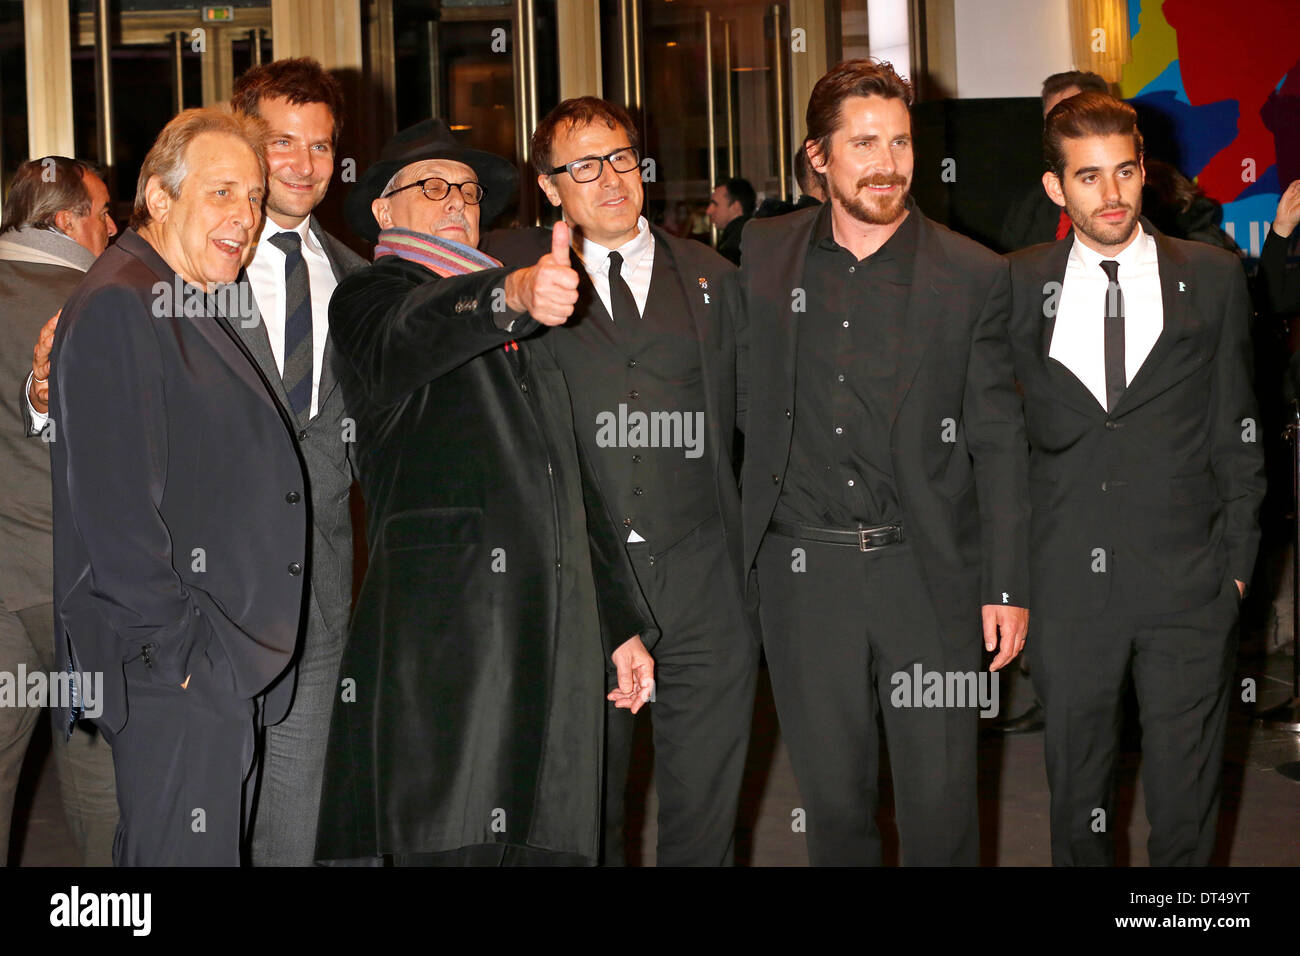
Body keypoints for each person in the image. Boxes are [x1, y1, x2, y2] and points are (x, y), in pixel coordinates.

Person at [314, 119, 656, 866]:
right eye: (432, 187)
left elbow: (568, 480)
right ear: (382, 210)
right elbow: (416, 330)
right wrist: (509, 291)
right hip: (452, 657)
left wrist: (621, 622)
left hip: (552, 635)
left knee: (552, 841)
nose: (457, 202)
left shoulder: (516, 329)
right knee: (458, 841)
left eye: (468, 191)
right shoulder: (373, 300)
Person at [738, 59, 1030, 866]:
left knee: (941, 815)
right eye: (864, 143)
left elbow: (999, 440)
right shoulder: (762, 253)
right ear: (817, 158)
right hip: (803, 579)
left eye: (900, 142)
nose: (889, 164)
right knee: (834, 812)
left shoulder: (973, 274)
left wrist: (1005, 585)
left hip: (927, 579)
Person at [483, 96, 757, 866]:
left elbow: (763, 423)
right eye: (582, 166)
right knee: (584, 821)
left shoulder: (713, 279)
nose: (608, 178)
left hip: (705, 582)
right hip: (580, 590)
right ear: (548, 186)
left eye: (621, 159)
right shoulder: (512, 274)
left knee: (706, 820)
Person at [1006, 92, 1265, 865]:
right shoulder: (1016, 285)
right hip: (1066, 590)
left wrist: (1239, 577)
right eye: (1088, 177)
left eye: (1124, 171)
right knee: (1076, 799)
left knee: (1187, 806)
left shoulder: (1213, 278)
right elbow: (996, 446)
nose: (1110, 194)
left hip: (1190, 585)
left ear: (1145, 170)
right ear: (1057, 188)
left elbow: (1238, 435)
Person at [49, 107, 308, 866]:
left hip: (213, 665)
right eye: (223, 192)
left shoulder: (175, 290)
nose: (247, 216)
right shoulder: (122, 303)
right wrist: (185, 655)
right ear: (159, 199)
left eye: (255, 197)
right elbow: (114, 511)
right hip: (181, 673)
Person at [228, 57, 368, 868]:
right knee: (209, 805)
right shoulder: (188, 272)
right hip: (209, 594)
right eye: (283, 142)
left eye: (319, 146)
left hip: (320, 593)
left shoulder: (358, 280)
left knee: (298, 810)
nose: (305, 166)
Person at [0, 157, 118, 865]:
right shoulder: (96, 299)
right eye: (103, 211)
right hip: (75, 586)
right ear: (66, 221)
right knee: (100, 782)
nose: (113, 225)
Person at [999, 71, 1110, 254]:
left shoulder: (1135, 197)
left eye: (1068, 118)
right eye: (1050, 121)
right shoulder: (1029, 205)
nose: (1057, 130)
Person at [708, 177, 755, 265]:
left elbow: (719, 276)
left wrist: (701, 279)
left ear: (735, 207)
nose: (709, 211)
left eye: (715, 204)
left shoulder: (734, 244)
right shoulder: (748, 233)